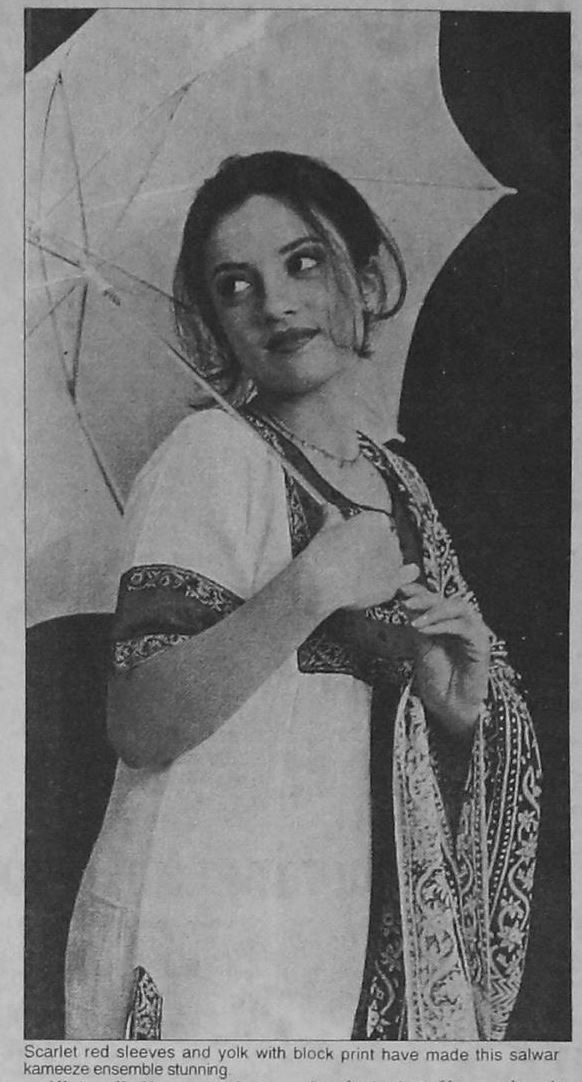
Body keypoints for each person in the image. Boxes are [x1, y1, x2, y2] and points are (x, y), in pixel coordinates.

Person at [65, 151, 541, 1042]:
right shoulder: (211, 457)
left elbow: (433, 750)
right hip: (212, 914)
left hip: (346, 917)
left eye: (303, 262)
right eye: (235, 286)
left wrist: (457, 708)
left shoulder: (401, 484)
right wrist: (311, 586)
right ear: (216, 322)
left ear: (367, 275)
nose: (275, 304)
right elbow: (140, 720)